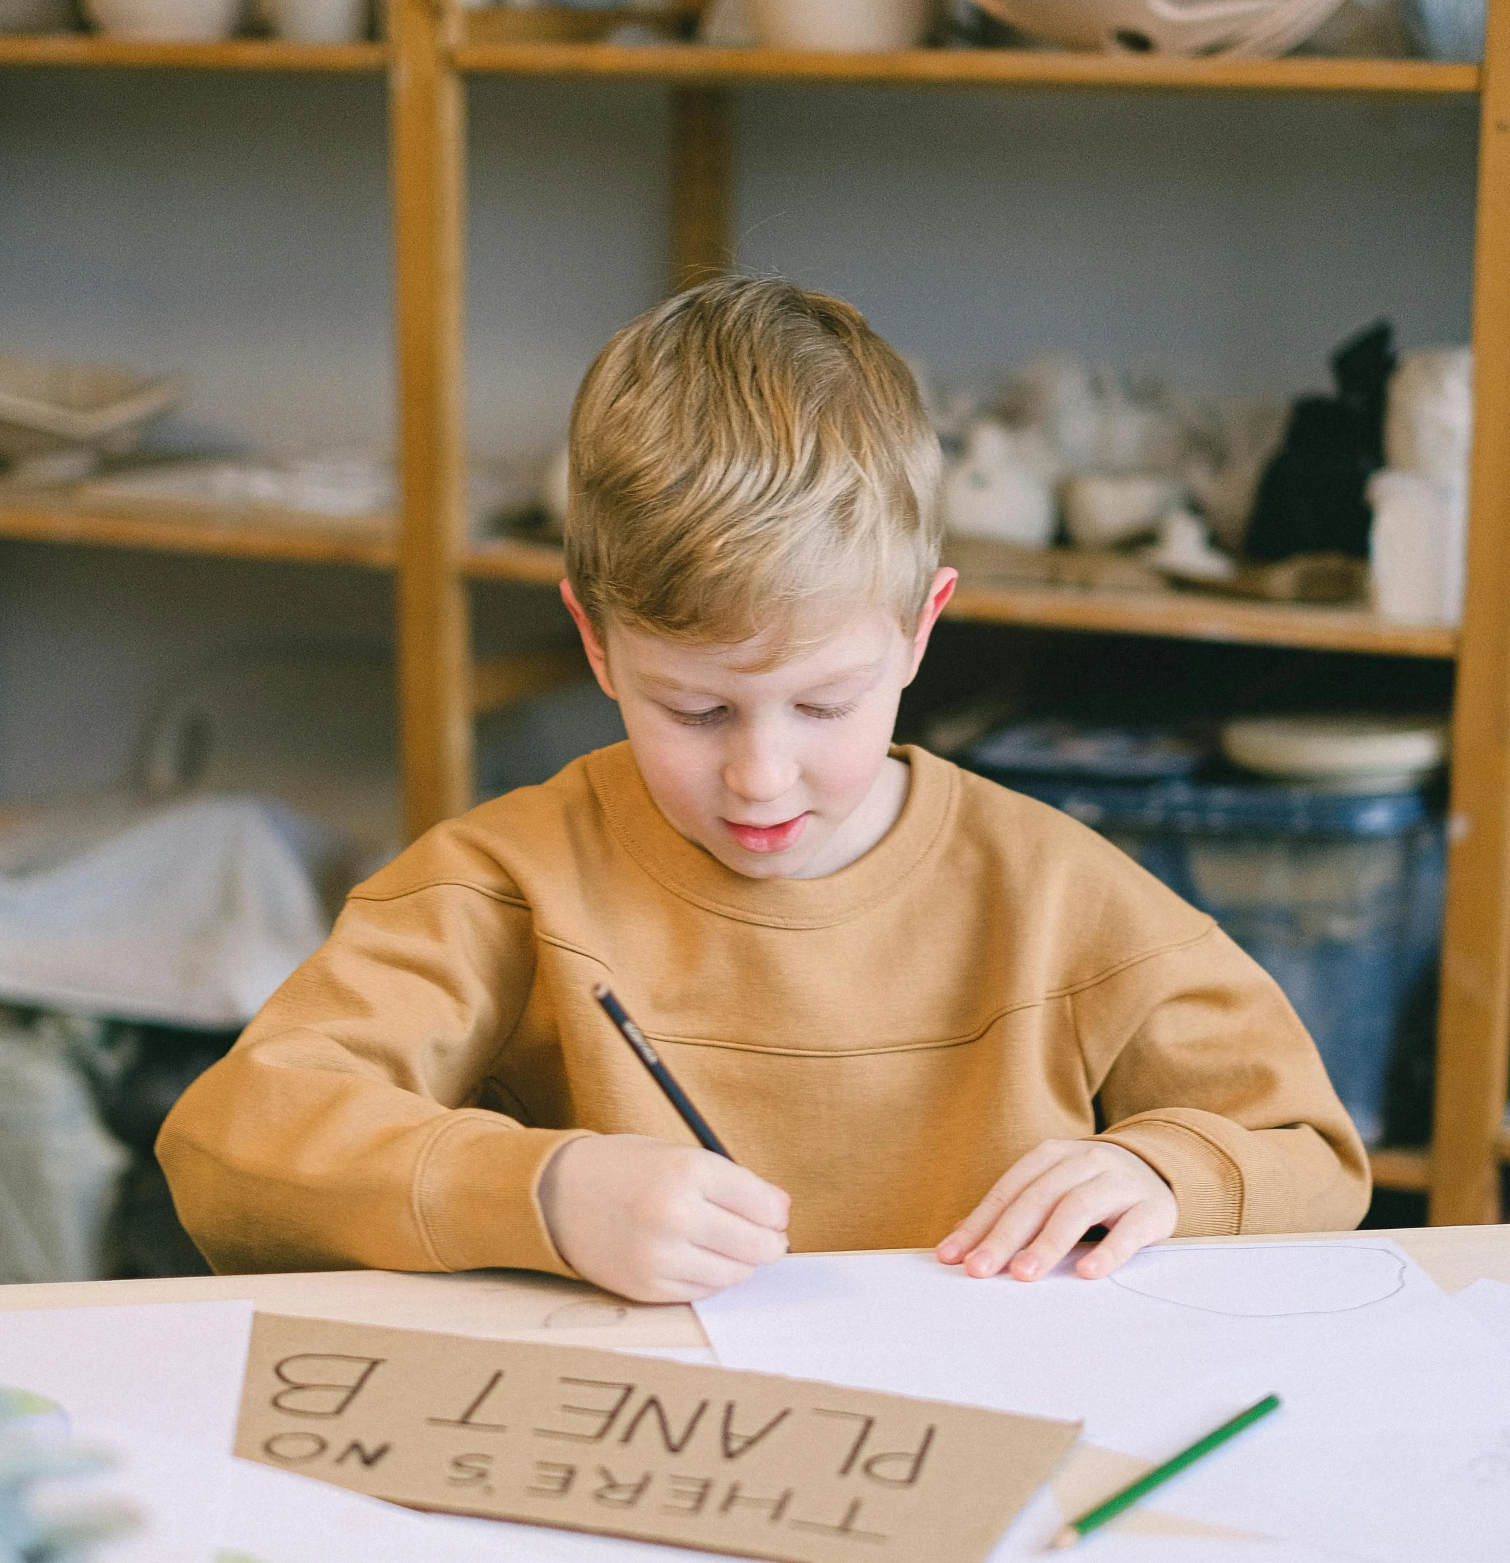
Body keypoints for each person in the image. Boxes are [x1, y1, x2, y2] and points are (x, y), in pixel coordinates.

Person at [158, 277, 1369, 1302]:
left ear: (918, 630)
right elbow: (230, 1154)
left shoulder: (1056, 891)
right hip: (636, 1459)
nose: (760, 774)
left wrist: (1167, 1175)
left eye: (824, 704)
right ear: (593, 641)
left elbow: (1315, 1158)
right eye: (693, 710)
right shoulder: (503, 887)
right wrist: (544, 1193)